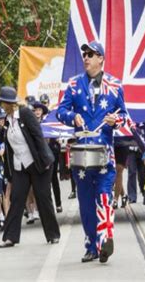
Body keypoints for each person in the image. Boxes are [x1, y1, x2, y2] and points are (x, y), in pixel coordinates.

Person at [57, 41, 127, 263]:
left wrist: (115, 120)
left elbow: (125, 115)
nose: (85, 57)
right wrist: (72, 117)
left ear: (101, 58)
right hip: (81, 154)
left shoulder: (115, 86)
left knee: (105, 196)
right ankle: (92, 245)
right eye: (84, 54)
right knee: (86, 203)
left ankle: (105, 238)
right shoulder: (74, 84)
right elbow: (60, 111)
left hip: (105, 153)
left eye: (90, 54)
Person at [0, 87, 60, 248]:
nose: (1, 105)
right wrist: (8, 173)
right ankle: (10, 237)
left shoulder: (25, 114)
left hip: (39, 164)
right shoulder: (7, 121)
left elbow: (38, 136)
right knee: (16, 198)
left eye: (3, 102)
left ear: (10, 103)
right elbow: (9, 149)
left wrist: (45, 161)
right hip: (20, 166)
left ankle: (53, 234)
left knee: (43, 197)